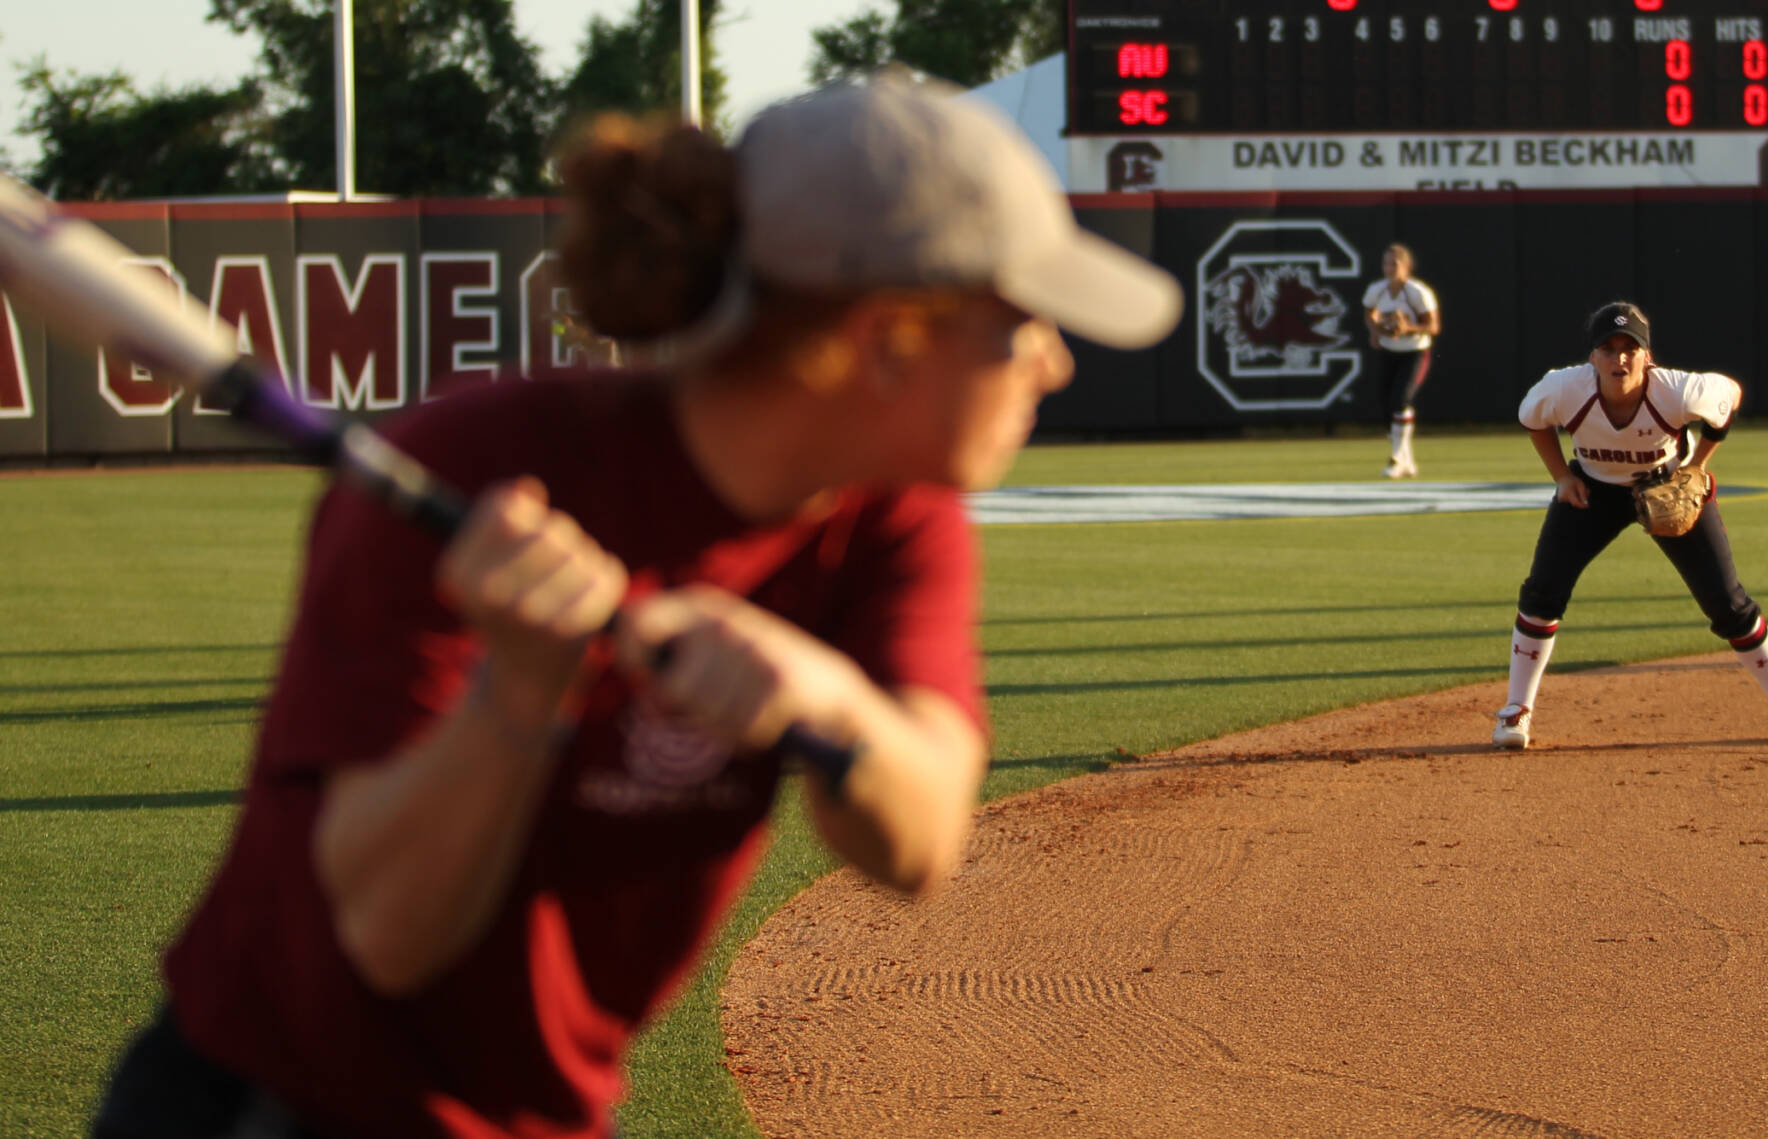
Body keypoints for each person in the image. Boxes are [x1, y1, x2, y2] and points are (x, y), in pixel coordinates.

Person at [91, 76, 1180, 1139]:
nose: (1053, 361)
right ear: (886, 340)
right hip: (276, 1104)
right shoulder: (477, 470)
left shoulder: (895, 519)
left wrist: (823, 697)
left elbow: (922, 841)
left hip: (548, 1113)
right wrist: (520, 691)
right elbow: (383, 939)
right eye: (1017, 323)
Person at [1492, 301, 1768, 749]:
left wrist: (1697, 468)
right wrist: (1562, 478)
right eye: (1609, 348)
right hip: (1594, 491)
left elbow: (1729, 399)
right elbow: (1532, 419)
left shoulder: (1678, 392)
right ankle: (1516, 712)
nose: (1619, 358)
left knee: (1726, 602)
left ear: (1648, 356)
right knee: (1542, 592)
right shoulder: (1565, 389)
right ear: (1593, 357)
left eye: (1631, 348)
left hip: (1667, 485)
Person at [1362, 244, 1441, 479]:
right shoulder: (1377, 290)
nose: (1389, 268)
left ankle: (1396, 458)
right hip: (1389, 351)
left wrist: (1407, 328)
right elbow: (1368, 313)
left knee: (1401, 398)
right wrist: (1376, 330)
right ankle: (1406, 459)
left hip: (1414, 351)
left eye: (1394, 264)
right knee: (1386, 405)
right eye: (1386, 263)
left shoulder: (1417, 292)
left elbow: (1433, 326)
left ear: (1406, 267)